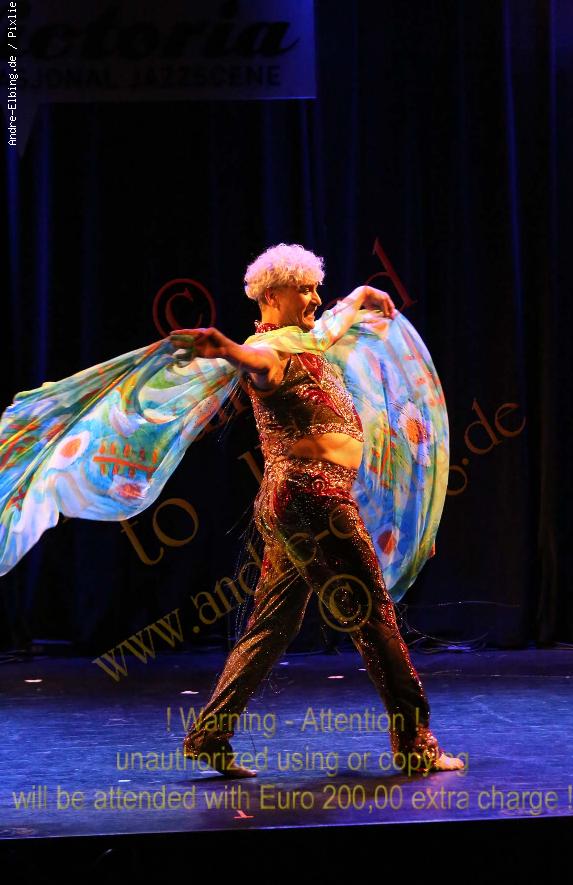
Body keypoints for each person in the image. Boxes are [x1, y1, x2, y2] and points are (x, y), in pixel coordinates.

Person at [175, 243, 465, 778]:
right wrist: (225, 348)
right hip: (312, 499)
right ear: (270, 296)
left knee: (273, 623)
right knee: (373, 616)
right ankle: (415, 744)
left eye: (315, 288)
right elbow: (257, 363)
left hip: (293, 502)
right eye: (303, 290)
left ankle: (211, 733)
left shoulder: (308, 342)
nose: (314, 298)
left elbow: (333, 324)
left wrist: (362, 295)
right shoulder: (269, 350)